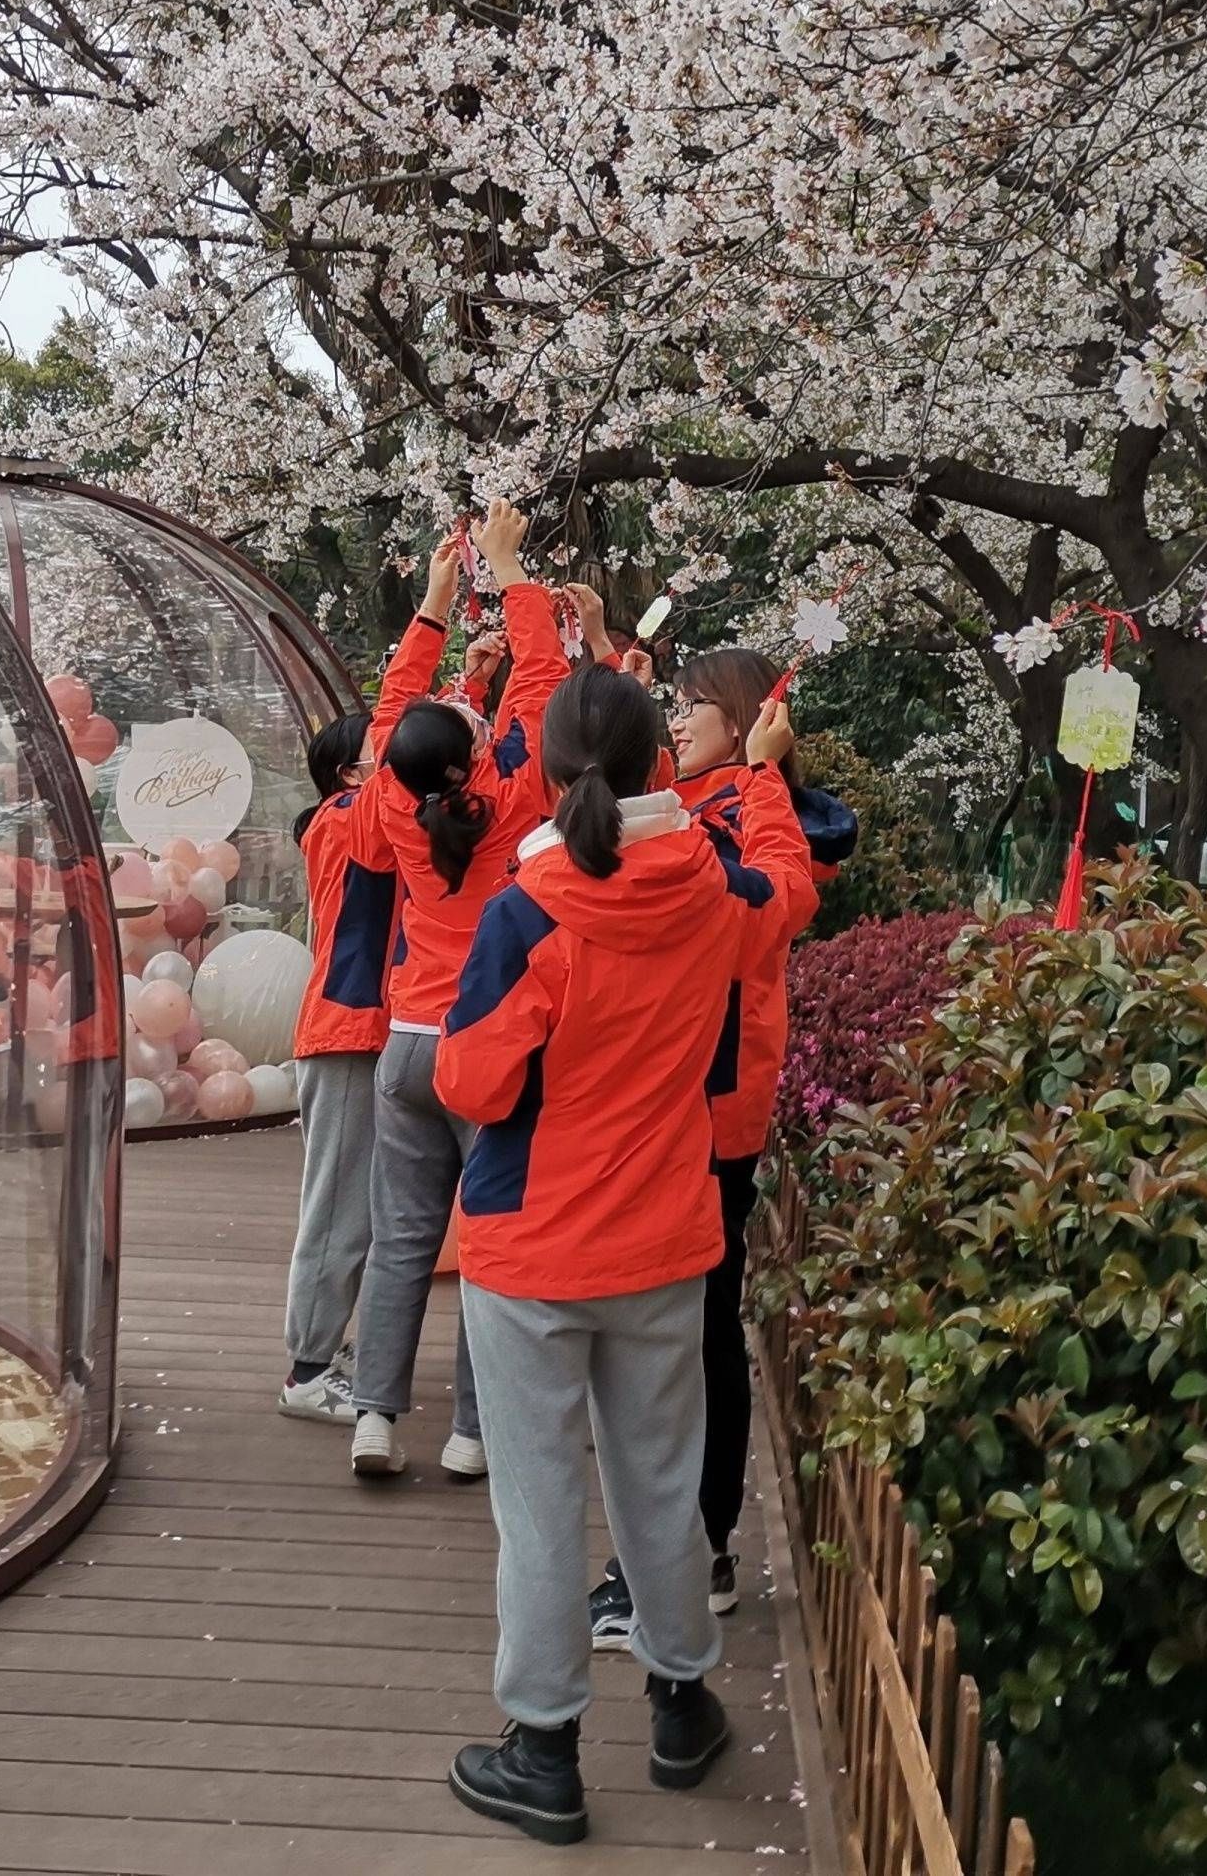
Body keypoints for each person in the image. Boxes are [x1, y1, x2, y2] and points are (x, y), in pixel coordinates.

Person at [430, 664, 815, 1844]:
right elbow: (791, 890)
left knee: (541, 1505)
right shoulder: (718, 895)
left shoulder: (527, 911)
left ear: (545, 774)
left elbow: (472, 1078)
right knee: (658, 1479)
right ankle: (680, 1704)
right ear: (664, 769)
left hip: (532, 1247)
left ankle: (544, 1751)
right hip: (664, 1239)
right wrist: (762, 769)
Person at [589, 646, 856, 1649]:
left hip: (711, 1106)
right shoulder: (704, 798)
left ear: (743, 721)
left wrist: (763, 776)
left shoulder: (749, 810)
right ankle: (680, 1551)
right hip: (677, 1101)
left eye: (694, 704)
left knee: (692, 1335)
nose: (677, 717)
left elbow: (781, 892)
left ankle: (689, 1553)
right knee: (681, 1331)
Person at [345, 501, 569, 1480]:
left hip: (403, 1047)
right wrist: (510, 570)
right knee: (486, 1243)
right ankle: (472, 1433)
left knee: (401, 1242)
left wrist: (433, 606)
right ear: (474, 756)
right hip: (487, 1050)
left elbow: (394, 711)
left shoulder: (392, 806)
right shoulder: (514, 803)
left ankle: (374, 1419)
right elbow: (544, 689)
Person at [275, 536, 468, 1421]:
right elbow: (402, 735)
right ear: (356, 773)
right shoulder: (342, 823)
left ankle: (335, 1358)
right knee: (339, 1210)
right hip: (350, 1034)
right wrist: (431, 616)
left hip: (374, 1034)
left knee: (368, 1210)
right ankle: (308, 1370)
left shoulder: (368, 819)